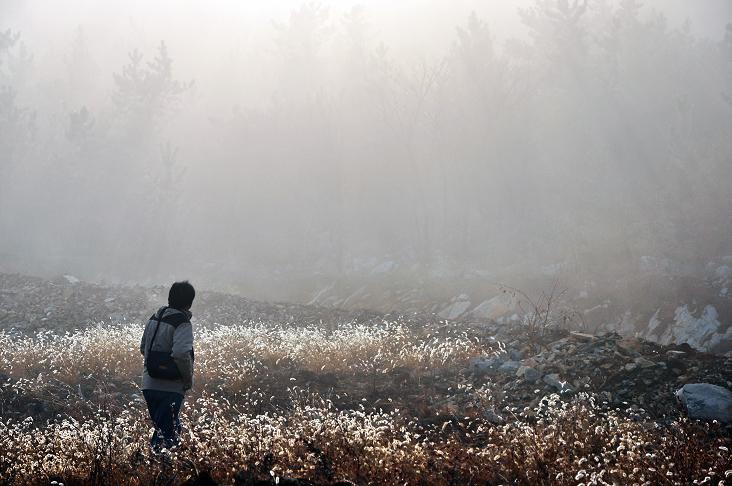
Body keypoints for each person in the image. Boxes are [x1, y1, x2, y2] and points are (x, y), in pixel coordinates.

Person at [140, 280, 195, 451]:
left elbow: (143, 348)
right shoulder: (182, 322)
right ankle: (160, 469)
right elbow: (181, 354)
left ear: (170, 298)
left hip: (148, 385)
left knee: (164, 429)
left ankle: (159, 467)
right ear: (189, 302)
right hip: (170, 388)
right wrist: (187, 379)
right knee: (167, 436)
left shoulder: (154, 318)